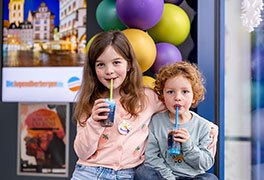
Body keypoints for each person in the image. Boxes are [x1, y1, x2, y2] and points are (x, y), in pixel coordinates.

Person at [71, 30, 218, 180]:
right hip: (88, 172)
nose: (109, 71)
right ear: (93, 70)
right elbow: (82, 152)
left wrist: (208, 127)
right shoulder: (90, 102)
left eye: (116, 62)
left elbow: (177, 102)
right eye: (100, 64)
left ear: (128, 64)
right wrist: (94, 124)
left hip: (126, 174)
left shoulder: (147, 97)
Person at [135, 61, 218, 180]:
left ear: (194, 96)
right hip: (164, 176)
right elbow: (151, 157)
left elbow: (206, 163)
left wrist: (188, 145)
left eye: (185, 92)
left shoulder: (203, 126)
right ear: (162, 96)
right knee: (142, 172)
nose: (177, 97)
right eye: (170, 92)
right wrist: (169, 178)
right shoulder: (157, 122)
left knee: (210, 178)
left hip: (192, 177)